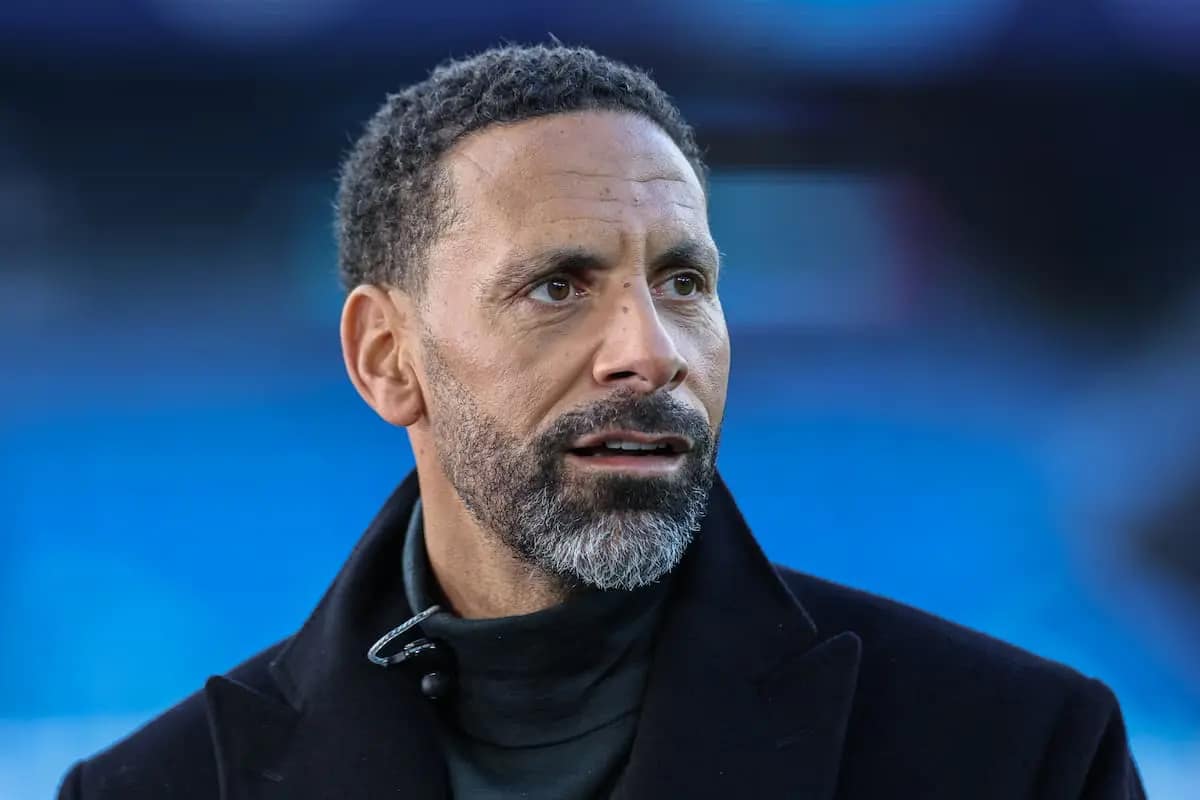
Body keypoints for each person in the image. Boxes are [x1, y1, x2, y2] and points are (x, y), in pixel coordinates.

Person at [58, 44, 1145, 799]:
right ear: (386, 358)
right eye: (557, 286)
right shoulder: (156, 790)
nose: (650, 350)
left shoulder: (1019, 754)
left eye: (683, 282)